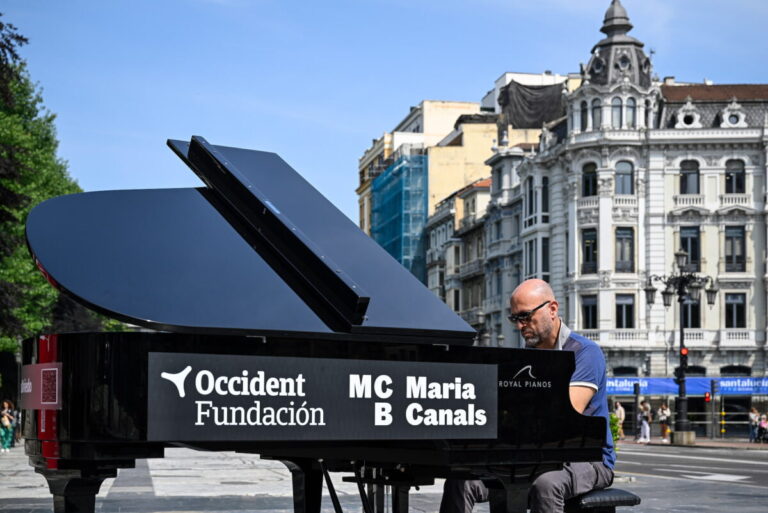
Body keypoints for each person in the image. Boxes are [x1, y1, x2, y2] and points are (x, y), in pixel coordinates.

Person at [440, 279, 615, 513]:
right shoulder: (524, 358)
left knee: (546, 484)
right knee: (460, 480)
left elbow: (568, 414)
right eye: (515, 319)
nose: (520, 326)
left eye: (526, 316)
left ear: (552, 309)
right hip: (526, 456)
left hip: (587, 459)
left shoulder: (584, 353)